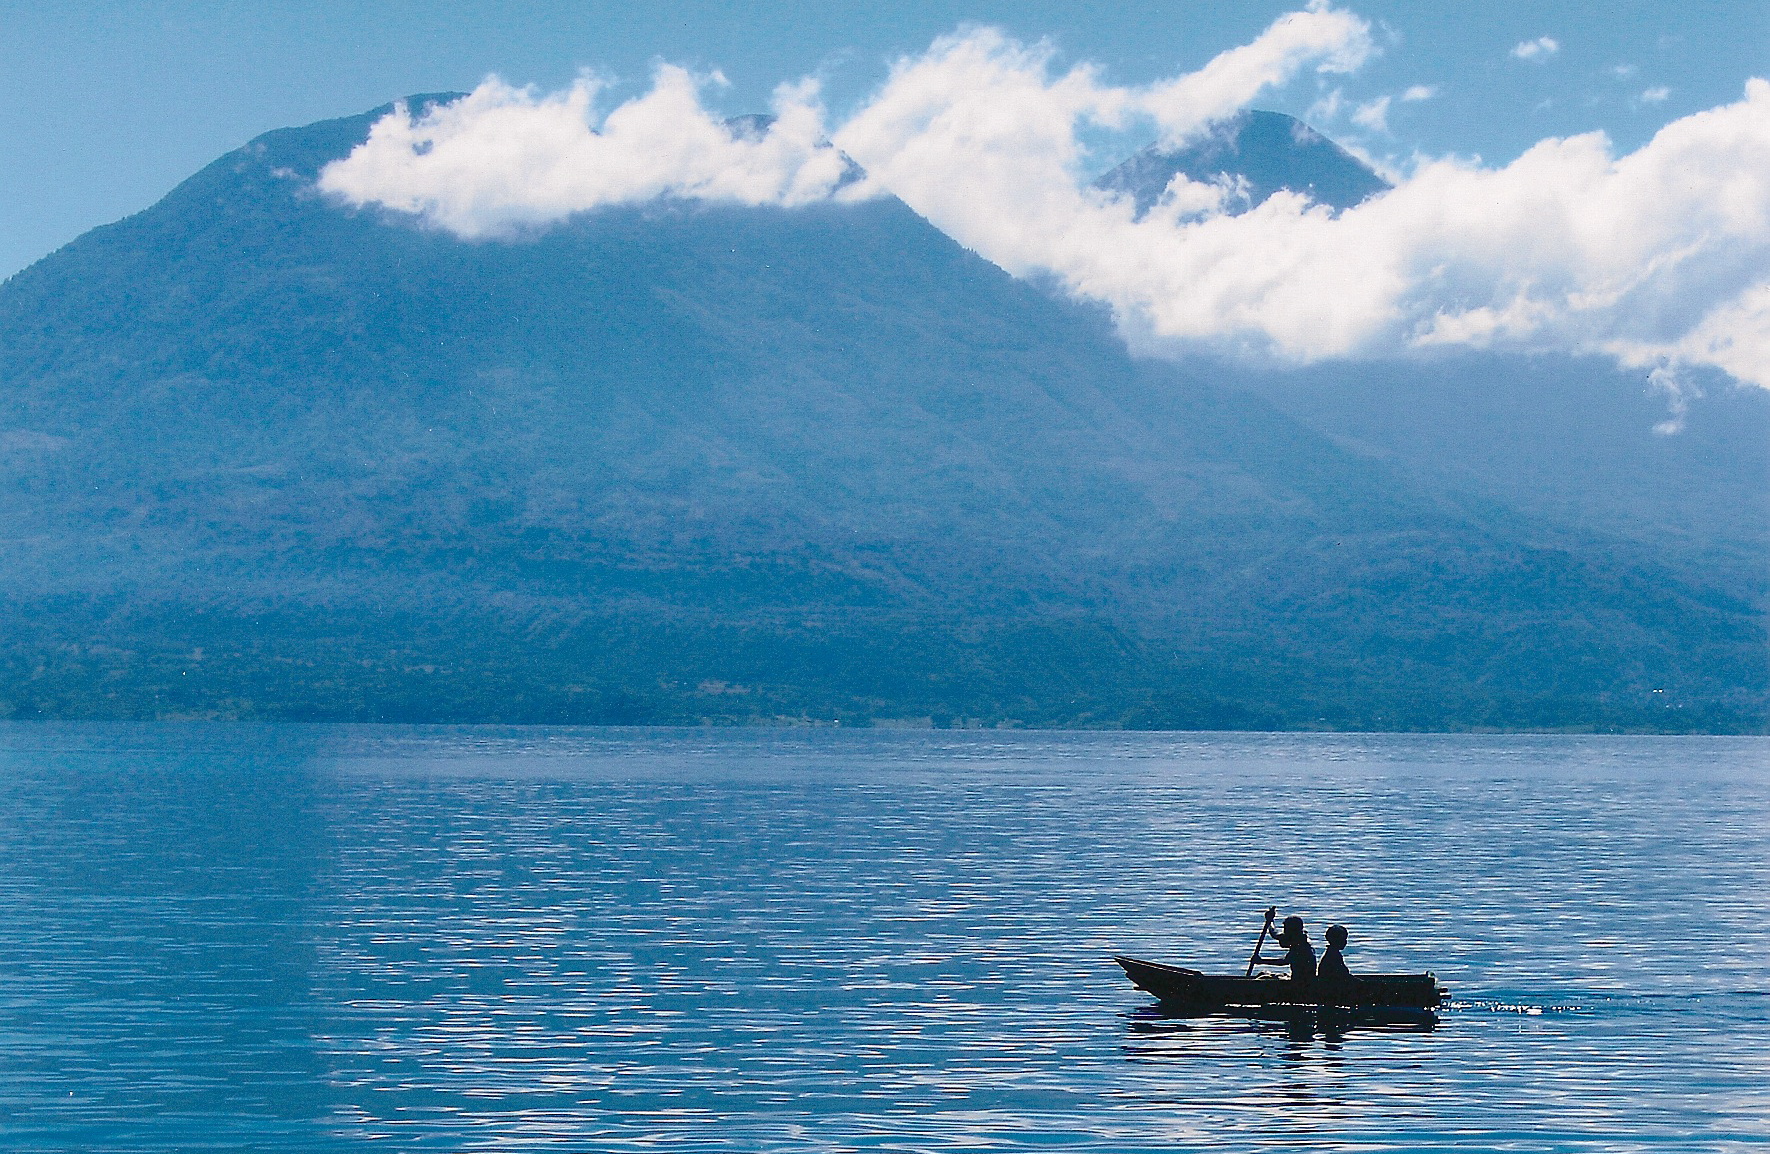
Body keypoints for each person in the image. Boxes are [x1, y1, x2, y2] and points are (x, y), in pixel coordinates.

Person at [1253, 914, 1317, 982]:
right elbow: (1275, 934)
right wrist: (1270, 921)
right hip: (1297, 980)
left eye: (1285, 929)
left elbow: (1283, 961)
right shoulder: (1296, 937)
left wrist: (1261, 961)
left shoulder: (1302, 946)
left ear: (1292, 930)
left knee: (1263, 978)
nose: (1284, 931)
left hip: (1302, 983)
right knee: (1263, 974)